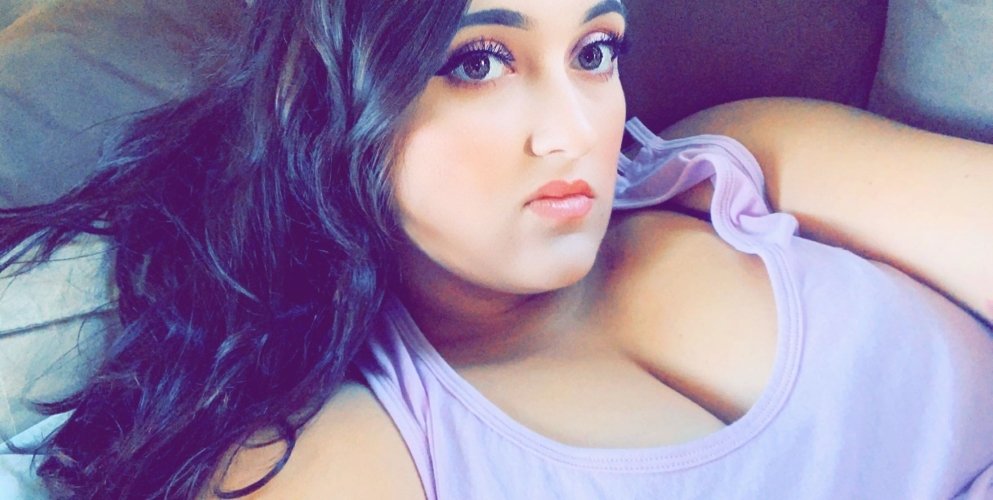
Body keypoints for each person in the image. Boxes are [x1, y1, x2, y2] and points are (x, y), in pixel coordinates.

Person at [0, 0, 990, 498]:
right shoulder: (347, 455)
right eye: (480, 61)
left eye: (594, 52)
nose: (574, 132)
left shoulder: (735, 162)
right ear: (323, 100)